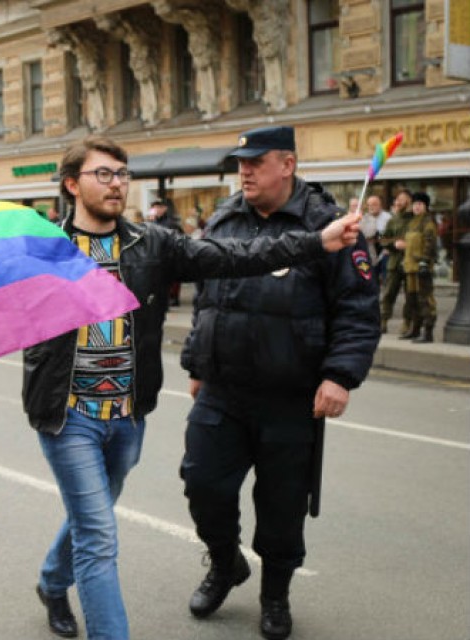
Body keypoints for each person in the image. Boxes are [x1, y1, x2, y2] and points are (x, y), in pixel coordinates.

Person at [23, 134, 362, 640]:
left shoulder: (152, 244)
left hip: (125, 416)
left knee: (90, 513)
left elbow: (237, 256)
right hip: (68, 415)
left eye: (121, 174)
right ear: (72, 184)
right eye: (103, 174)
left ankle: (53, 582)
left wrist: (317, 241)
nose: (116, 184)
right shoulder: (42, 250)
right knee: (98, 535)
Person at [179, 126, 379, 640]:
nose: (244, 169)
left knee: (283, 506)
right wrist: (198, 364)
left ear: (287, 165)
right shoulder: (225, 218)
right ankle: (225, 564)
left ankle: (275, 596)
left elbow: (358, 310)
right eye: (240, 162)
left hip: (290, 398)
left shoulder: (332, 225)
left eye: (256, 161)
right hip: (223, 390)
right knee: (202, 484)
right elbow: (208, 300)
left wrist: (339, 376)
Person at [397, 192, 437, 343]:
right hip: (410, 267)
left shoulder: (428, 222)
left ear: (425, 206)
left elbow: (429, 243)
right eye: (415, 204)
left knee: (425, 300)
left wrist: (425, 262)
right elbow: (409, 245)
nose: (417, 207)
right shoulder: (412, 222)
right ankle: (415, 329)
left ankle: (428, 332)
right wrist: (404, 262)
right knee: (411, 300)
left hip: (421, 267)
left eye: (420, 204)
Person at [380, 189, 414, 334]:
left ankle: (407, 322)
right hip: (394, 262)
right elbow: (383, 240)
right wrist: (393, 245)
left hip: (410, 263)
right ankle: (383, 321)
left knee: (410, 295)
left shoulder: (416, 219)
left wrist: (408, 245)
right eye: (397, 199)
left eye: (401, 199)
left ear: (409, 201)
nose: (397, 202)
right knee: (388, 293)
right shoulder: (393, 220)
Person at [145, 200, 184, 306]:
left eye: (159, 207)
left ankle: (173, 297)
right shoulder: (150, 223)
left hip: (169, 254)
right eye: (154, 207)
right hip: (156, 255)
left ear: (164, 209)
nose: (156, 210)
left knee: (172, 279)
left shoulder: (171, 223)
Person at [358, 194, 392, 286]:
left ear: (380, 205)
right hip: (370, 253)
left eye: (374, 204)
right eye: (369, 205)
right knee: (372, 280)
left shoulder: (388, 218)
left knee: (386, 279)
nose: (371, 207)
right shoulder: (364, 218)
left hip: (385, 252)